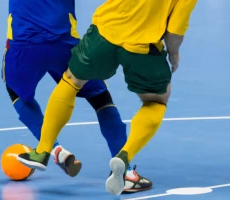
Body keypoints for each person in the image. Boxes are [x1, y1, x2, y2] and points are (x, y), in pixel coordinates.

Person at [0, 0, 152, 193]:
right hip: (65, 42)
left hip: (24, 44)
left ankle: (53, 149)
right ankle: (125, 174)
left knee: (16, 92)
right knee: (100, 98)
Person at [17, 0, 198, 196]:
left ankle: (43, 150)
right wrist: (174, 53)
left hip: (103, 35)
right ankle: (124, 157)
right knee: (155, 101)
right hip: (143, 47)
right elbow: (175, 30)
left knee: (71, 81)